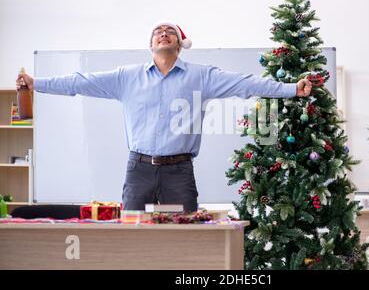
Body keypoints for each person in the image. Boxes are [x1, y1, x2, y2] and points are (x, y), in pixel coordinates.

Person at [16, 21, 312, 212]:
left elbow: (246, 84)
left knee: (185, 240)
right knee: (131, 237)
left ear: (179, 44)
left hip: (179, 172)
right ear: (151, 45)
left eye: (170, 31)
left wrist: (290, 89)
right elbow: (78, 82)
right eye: (157, 31)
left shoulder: (202, 76)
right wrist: (37, 84)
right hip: (138, 170)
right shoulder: (126, 77)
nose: (163, 33)